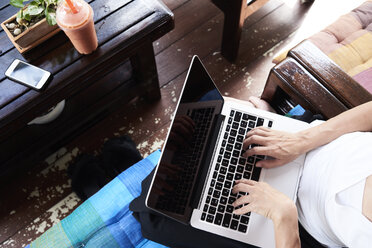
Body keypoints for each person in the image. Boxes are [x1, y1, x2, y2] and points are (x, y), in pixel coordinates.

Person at [130, 98, 372, 248]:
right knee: (210, 109)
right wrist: (301, 139)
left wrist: (284, 216)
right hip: (309, 140)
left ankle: (123, 155)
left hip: (300, 225)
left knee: (155, 216)